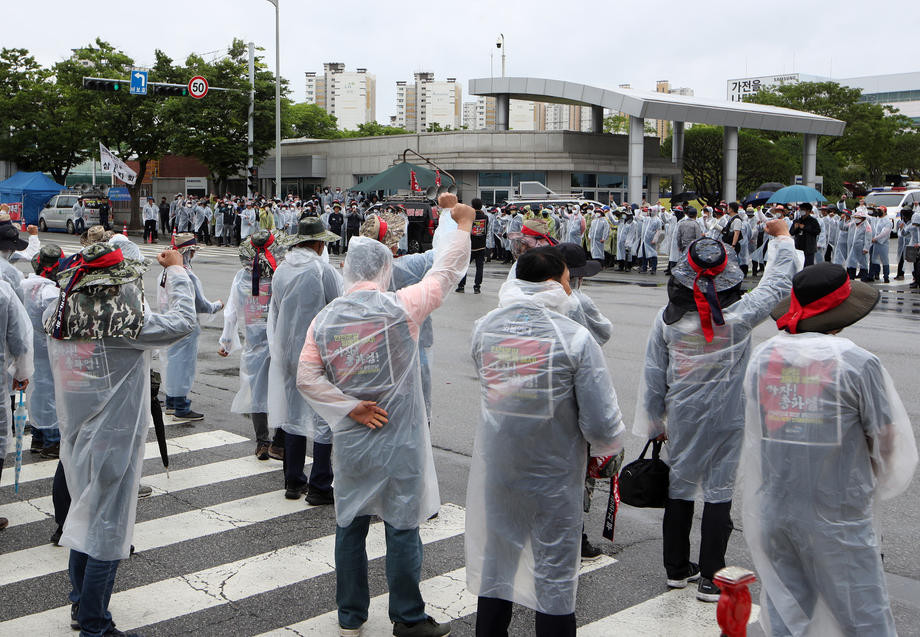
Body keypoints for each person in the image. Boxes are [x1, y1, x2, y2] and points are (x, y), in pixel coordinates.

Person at [295, 196, 474, 637]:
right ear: (383, 268)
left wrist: (347, 406)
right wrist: (460, 224)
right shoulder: (401, 307)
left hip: (354, 436)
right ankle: (408, 617)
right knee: (401, 525)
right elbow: (445, 272)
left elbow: (305, 376)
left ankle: (350, 613)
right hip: (399, 435)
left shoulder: (325, 319)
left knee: (350, 523)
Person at [742, 262, 917, 637]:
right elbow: (887, 440)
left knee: (788, 614)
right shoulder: (856, 362)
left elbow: (759, 429)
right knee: (865, 616)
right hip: (838, 513)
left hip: (776, 506)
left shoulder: (765, 357)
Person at [636, 221, 799, 603]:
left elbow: (653, 372)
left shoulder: (667, 319)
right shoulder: (741, 316)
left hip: (682, 413)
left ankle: (676, 570)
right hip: (728, 413)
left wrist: (654, 420)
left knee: (680, 486)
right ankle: (712, 576)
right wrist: (784, 238)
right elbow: (777, 284)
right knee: (719, 490)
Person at [466, 247, 625, 637]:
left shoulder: (485, 327)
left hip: (500, 467)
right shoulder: (574, 338)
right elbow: (603, 425)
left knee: (498, 560)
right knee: (555, 570)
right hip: (554, 476)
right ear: (558, 283)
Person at [48, 244, 196, 637]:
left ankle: (81, 605)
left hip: (77, 435)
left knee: (84, 519)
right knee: (107, 532)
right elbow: (183, 321)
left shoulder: (60, 315)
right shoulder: (126, 324)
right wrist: (179, 272)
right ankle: (95, 623)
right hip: (113, 438)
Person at [267, 218, 342, 503]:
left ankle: (293, 480)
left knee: (293, 414)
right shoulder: (322, 269)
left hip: (287, 351)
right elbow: (338, 308)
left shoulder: (281, 269)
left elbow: (275, 311)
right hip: (317, 352)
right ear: (320, 243)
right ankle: (320, 485)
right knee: (323, 417)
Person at [219, 230, 288, 461]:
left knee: (257, 392)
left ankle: (262, 442)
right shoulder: (280, 275)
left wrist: (226, 342)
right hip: (279, 344)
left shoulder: (241, 277)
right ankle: (279, 442)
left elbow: (230, 312)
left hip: (253, 345)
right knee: (281, 390)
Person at [162, 234, 223, 421]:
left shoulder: (166, 271)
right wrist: (217, 305)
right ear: (188, 252)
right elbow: (200, 304)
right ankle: (181, 406)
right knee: (183, 367)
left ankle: (171, 402)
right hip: (186, 328)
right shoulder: (185, 274)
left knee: (172, 364)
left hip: (169, 323)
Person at [22, 245, 64, 459]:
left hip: (29, 349)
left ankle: (38, 437)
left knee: (35, 394)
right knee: (50, 395)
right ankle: (52, 441)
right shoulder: (50, 292)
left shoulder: (24, 285)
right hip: (47, 351)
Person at [457, 198, 488, 294]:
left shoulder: (469, 217)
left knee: (464, 266)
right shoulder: (485, 217)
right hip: (481, 245)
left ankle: (461, 286)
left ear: (472, 206)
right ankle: (477, 287)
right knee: (479, 267)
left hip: (469, 245)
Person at [846, 208, 873, 281]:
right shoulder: (854, 224)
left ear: (863, 218)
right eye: (855, 217)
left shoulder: (867, 226)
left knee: (863, 262)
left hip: (861, 248)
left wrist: (866, 248)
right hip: (853, 247)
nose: (856, 219)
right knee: (851, 261)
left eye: (858, 218)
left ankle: (864, 277)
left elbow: (868, 238)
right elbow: (845, 227)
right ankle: (851, 277)